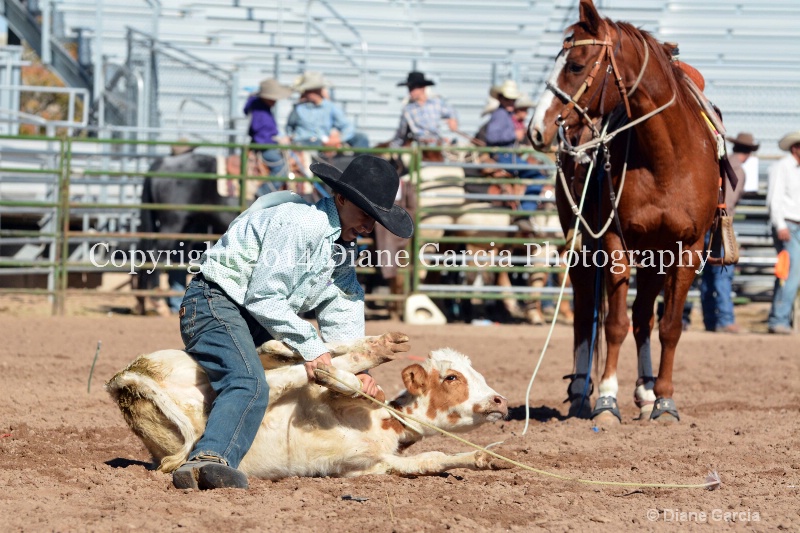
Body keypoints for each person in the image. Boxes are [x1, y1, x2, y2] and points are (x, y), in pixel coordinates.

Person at [172, 154, 414, 490]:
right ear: (341, 199)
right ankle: (208, 459)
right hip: (215, 301)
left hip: (250, 314)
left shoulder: (339, 247)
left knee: (291, 380)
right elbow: (264, 296)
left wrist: (359, 370)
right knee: (248, 382)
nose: (368, 226)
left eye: (374, 220)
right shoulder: (302, 225)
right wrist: (312, 346)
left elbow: (342, 304)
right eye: (364, 215)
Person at [700, 132, 758, 333]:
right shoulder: (738, 171)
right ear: (749, 152)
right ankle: (726, 319)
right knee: (723, 272)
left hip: (704, 224)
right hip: (721, 225)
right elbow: (729, 204)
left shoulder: (716, 163)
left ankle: (709, 319)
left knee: (707, 273)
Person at [766, 130, 800, 334]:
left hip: (794, 225)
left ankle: (781, 318)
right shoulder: (782, 167)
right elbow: (774, 199)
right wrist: (780, 225)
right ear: (796, 148)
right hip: (788, 225)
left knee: (789, 272)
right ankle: (778, 319)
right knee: (790, 272)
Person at [286, 71, 369, 150]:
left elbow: (348, 126)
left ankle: (362, 163)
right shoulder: (299, 108)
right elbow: (289, 128)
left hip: (323, 141)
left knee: (361, 138)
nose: (308, 93)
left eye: (311, 90)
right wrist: (293, 137)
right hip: (305, 141)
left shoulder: (330, 107)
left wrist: (338, 139)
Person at [243, 78, 293, 195]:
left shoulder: (260, 107)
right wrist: (277, 141)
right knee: (282, 168)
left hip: (264, 143)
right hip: (264, 146)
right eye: (273, 98)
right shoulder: (260, 111)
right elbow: (261, 134)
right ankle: (263, 193)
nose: (275, 101)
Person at [390, 71, 458, 147]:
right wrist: (394, 146)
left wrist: (452, 120)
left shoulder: (436, 103)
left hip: (437, 143)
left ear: (422, 88)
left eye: (413, 88)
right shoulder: (408, 109)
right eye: (409, 88)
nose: (410, 92)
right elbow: (402, 132)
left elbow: (451, 112)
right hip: (419, 145)